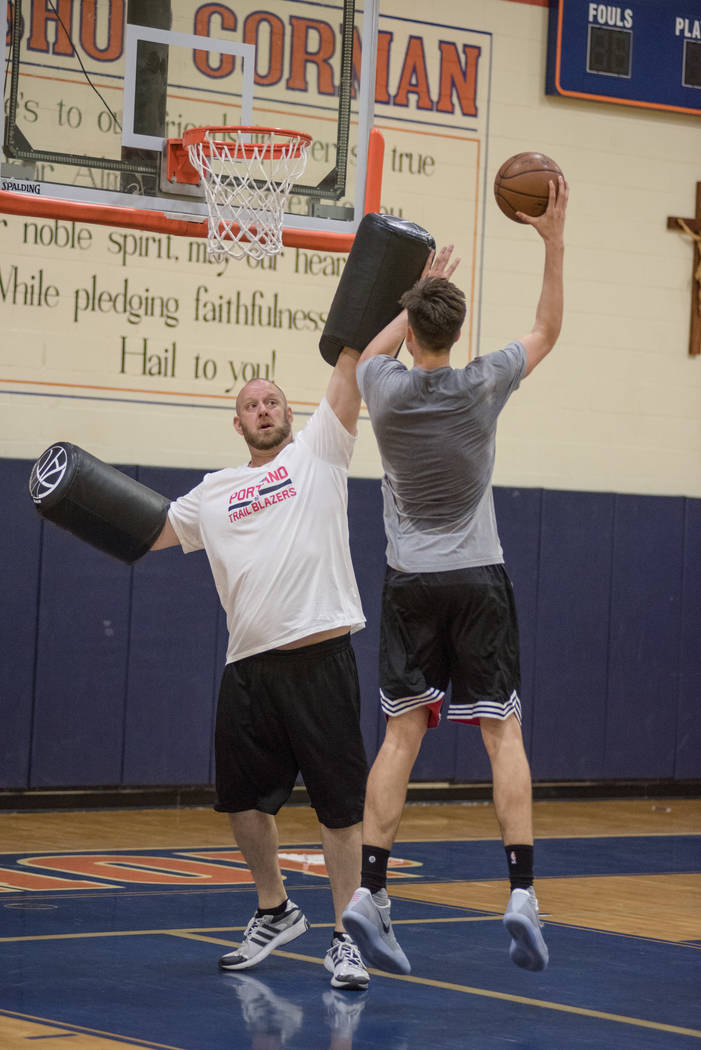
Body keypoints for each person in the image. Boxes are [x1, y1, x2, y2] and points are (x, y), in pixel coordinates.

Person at [342, 176, 569, 975]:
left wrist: (417, 291)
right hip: (477, 578)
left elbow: (369, 349)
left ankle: (369, 891)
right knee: (501, 731)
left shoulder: (384, 390)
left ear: (415, 330)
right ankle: (518, 892)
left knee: (402, 733)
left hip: (410, 582)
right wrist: (551, 238)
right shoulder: (481, 385)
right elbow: (545, 328)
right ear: (461, 329)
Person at [151, 348, 370, 991]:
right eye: (250, 405)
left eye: (271, 400)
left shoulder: (319, 454)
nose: (262, 409)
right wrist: (74, 498)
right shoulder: (213, 491)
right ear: (238, 424)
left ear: (290, 413)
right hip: (247, 668)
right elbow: (147, 530)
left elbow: (351, 367)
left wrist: (405, 304)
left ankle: (346, 938)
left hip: (321, 661)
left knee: (339, 810)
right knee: (243, 803)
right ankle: (274, 910)